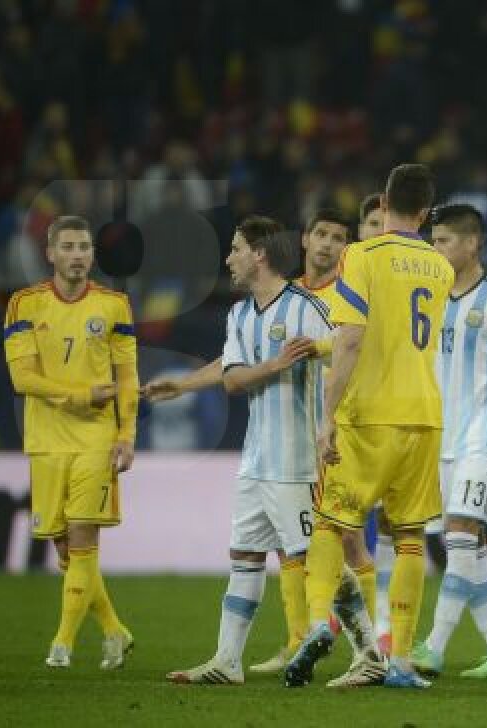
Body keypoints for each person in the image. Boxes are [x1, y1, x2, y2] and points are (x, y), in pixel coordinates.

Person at [143, 210, 383, 685]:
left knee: (319, 561)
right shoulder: (238, 313)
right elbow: (233, 377)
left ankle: (370, 654)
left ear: (257, 255)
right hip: (257, 458)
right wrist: (198, 382)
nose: (228, 258)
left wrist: (333, 427)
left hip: (299, 461)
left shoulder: (307, 310)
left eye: (234, 249)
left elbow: (349, 355)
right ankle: (227, 660)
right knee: (246, 555)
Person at [284, 164, 454, 690]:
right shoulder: (441, 266)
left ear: (383, 201)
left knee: (334, 521)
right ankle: (400, 660)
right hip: (423, 413)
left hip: (369, 413)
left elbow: (353, 340)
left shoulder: (361, 255)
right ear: (426, 212)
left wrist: (327, 415)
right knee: (409, 539)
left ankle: (324, 627)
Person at [2, 215, 137, 670]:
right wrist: (78, 395)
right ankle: (115, 632)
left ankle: (62, 645)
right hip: (45, 438)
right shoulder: (24, 303)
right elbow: (22, 377)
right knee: (63, 548)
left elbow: (127, 376)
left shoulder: (115, 304)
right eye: (70, 247)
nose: (78, 255)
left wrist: (126, 434)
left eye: (85, 247)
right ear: (51, 253)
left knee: (83, 538)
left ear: (92, 254)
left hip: (96, 437)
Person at [410, 204, 487, 679]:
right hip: (440, 439)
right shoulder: (426, 298)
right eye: (432, 241)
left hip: (485, 437)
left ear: (472, 244)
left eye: (443, 241)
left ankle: (433, 646)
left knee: (460, 535)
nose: (435, 249)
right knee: (468, 549)